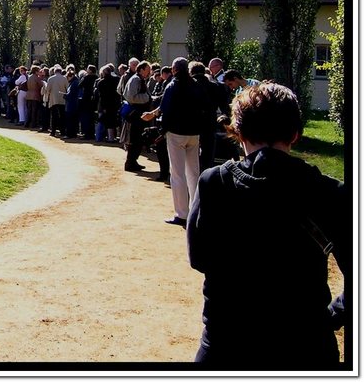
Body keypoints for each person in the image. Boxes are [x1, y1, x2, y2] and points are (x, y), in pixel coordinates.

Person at [187, 82, 350, 367]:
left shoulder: (215, 182)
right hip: (305, 344)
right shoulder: (330, 192)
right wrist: (332, 314)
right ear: (296, 135)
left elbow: (199, 257)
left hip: (228, 341)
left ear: (238, 133)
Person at [158, 57, 208, 227]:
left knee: (178, 173)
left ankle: (182, 214)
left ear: (174, 70)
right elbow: (204, 107)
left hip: (177, 132)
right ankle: (196, 210)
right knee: (193, 172)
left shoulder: (172, 85)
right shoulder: (197, 85)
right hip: (194, 133)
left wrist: (161, 131)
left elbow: (166, 109)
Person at [122, 61, 152, 171]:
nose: (149, 72)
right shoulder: (136, 80)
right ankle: (130, 163)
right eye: (148, 70)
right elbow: (131, 97)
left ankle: (132, 161)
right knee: (135, 139)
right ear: (141, 70)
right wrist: (147, 98)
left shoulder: (139, 79)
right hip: (135, 115)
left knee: (138, 139)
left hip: (138, 115)